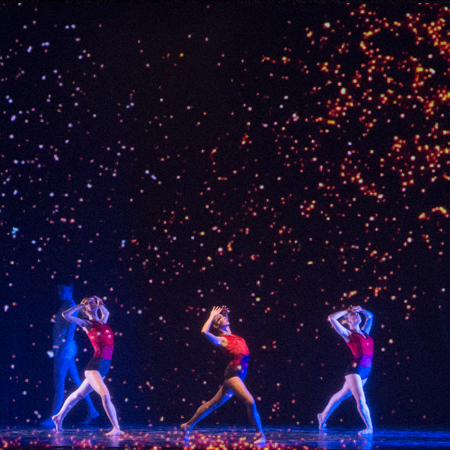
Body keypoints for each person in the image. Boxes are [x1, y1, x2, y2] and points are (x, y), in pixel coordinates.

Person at [181, 306, 265, 445]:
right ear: (216, 325)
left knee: (213, 404)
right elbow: (204, 332)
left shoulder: (231, 336)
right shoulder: (221, 340)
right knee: (250, 402)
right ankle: (260, 435)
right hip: (233, 375)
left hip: (240, 374)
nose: (224, 318)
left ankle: (187, 425)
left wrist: (224, 315)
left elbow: (227, 330)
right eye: (220, 318)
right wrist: (211, 316)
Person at [52, 296, 120, 436]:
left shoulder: (102, 321)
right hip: (94, 367)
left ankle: (58, 417)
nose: (92, 303)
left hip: (104, 367)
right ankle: (116, 427)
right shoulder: (86, 323)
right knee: (105, 393)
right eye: (89, 303)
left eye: (93, 302)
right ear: (85, 309)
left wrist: (100, 304)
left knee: (78, 394)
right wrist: (80, 305)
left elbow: (106, 312)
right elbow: (66, 315)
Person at [41, 282, 98, 426]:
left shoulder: (71, 305)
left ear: (70, 290)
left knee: (59, 382)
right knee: (78, 381)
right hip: (64, 348)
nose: (59, 293)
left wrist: (63, 349)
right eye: (58, 290)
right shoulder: (65, 305)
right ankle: (92, 410)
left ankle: (54, 417)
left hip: (65, 349)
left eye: (62, 290)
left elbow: (71, 329)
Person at [317, 305, 374, 435]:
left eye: (357, 314)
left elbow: (370, 316)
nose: (356, 315)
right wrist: (347, 310)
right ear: (348, 321)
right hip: (354, 370)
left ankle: (322, 415)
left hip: (365, 371)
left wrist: (361, 310)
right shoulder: (348, 334)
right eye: (353, 315)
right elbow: (331, 318)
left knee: (341, 395)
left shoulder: (365, 331)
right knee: (360, 399)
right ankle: (369, 427)